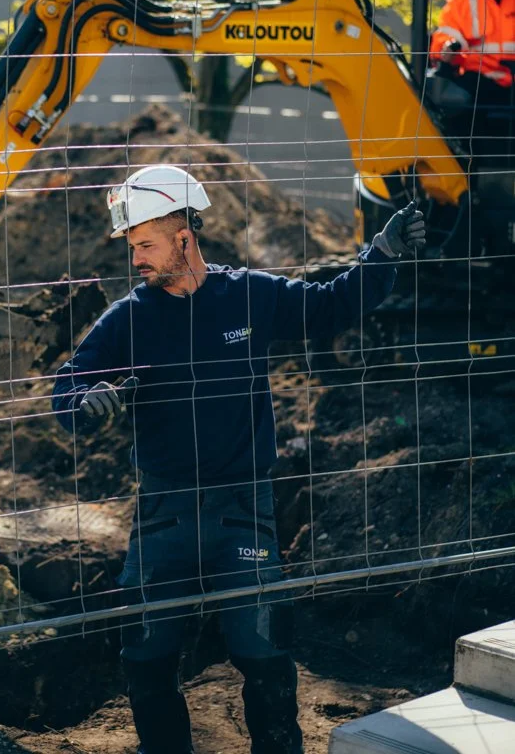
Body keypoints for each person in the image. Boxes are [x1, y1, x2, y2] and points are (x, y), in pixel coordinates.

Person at [52, 164, 425, 754]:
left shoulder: (249, 295)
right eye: (132, 247)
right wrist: (84, 400)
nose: (136, 259)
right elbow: (66, 387)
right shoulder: (130, 317)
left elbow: (330, 307)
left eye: (145, 244)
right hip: (164, 510)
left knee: (264, 654)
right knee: (146, 656)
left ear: (184, 235)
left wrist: (381, 254)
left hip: (241, 508)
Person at [430, 0, 515, 149]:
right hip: (479, 84)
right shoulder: (461, 4)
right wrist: (445, 50)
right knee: (456, 103)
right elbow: (443, 38)